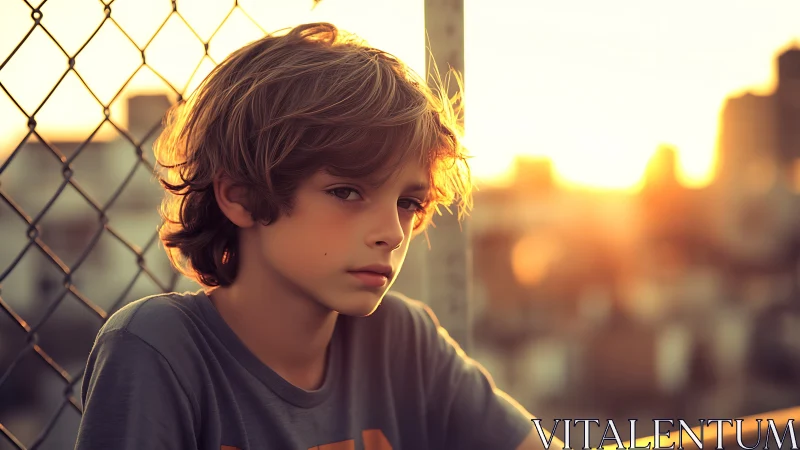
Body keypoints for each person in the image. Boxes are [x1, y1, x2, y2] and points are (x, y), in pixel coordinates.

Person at [74, 22, 557, 450]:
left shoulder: (400, 341)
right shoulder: (160, 348)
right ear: (241, 196)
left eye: (408, 203)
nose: (392, 233)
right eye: (346, 192)